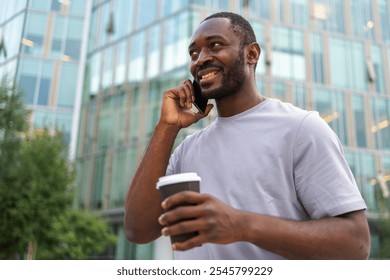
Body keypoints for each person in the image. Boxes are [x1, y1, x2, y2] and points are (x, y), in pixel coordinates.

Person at [124, 12, 370, 259]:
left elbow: (356, 244)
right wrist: (167, 126)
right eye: (194, 53)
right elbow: (138, 230)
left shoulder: (301, 128)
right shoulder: (188, 148)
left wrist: (241, 226)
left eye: (215, 45)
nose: (200, 60)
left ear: (251, 54)